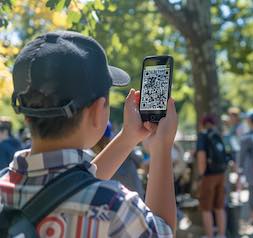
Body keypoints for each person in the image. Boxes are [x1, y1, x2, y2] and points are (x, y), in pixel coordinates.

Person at [0, 31, 178, 236]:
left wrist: (128, 137)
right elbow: (162, 229)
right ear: (96, 112)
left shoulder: (5, 186)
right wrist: (162, 147)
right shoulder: (114, 208)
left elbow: (68, 185)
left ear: (26, 114)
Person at [90, 122, 145, 199]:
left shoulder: (90, 159)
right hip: (128, 198)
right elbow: (140, 162)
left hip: (122, 199)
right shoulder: (123, 145)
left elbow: (140, 161)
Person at [196, 115, 227, 238]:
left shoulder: (203, 136)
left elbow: (201, 156)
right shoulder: (218, 136)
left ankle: (209, 235)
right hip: (221, 174)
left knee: (206, 208)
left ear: (202, 124)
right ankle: (222, 234)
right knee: (220, 206)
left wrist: (202, 174)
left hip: (208, 175)